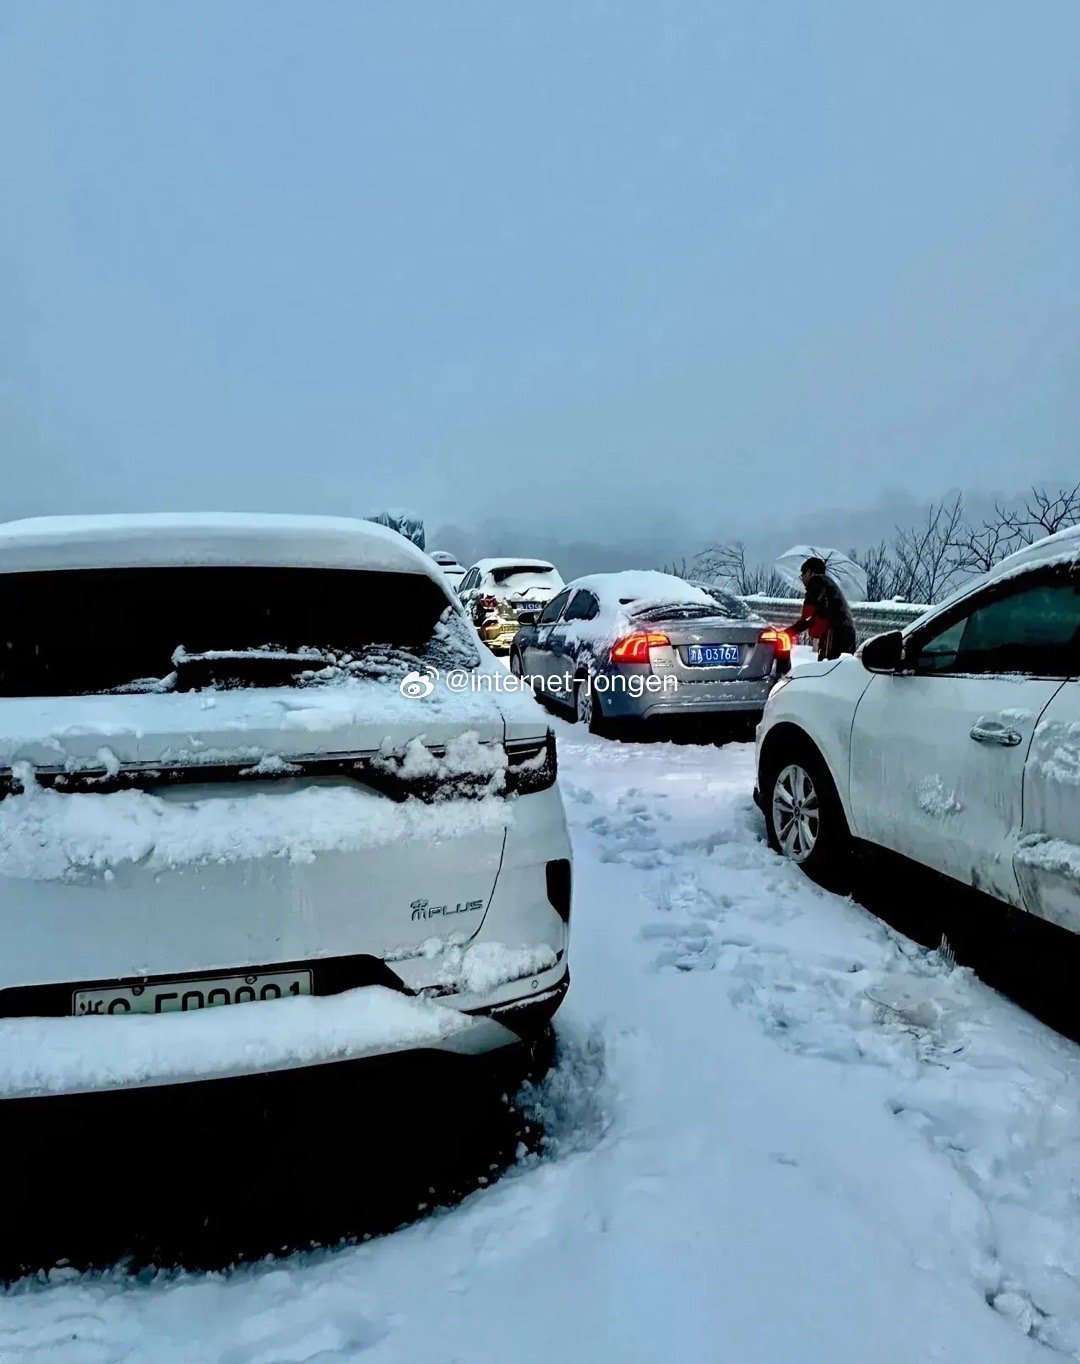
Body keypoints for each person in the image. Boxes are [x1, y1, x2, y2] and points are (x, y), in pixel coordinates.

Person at [785, 556, 857, 661]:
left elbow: (808, 618)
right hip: (847, 633)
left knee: (825, 668)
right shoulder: (828, 584)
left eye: (803, 575)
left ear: (809, 572)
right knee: (840, 668)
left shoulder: (816, 582)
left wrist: (786, 632)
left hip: (834, 633)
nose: (803, 579)